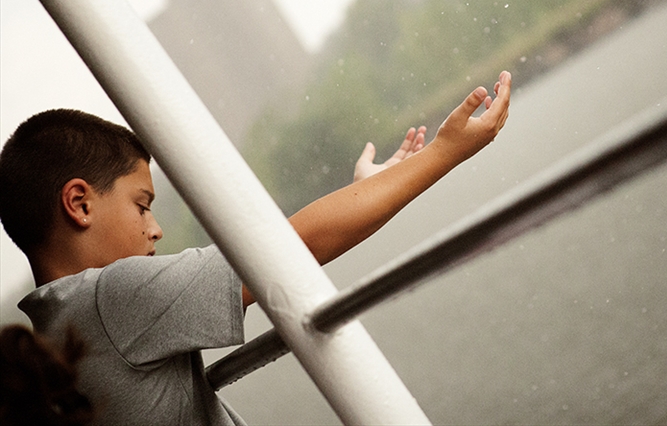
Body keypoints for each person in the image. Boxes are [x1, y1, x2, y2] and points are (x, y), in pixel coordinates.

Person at [0, 71, 511, 425]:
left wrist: (371, 187)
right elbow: (289, 246)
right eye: (142, 205)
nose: (155, 230)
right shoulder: (114, 299)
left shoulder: (58, 326)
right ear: (79, 204)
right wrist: (446, 154)